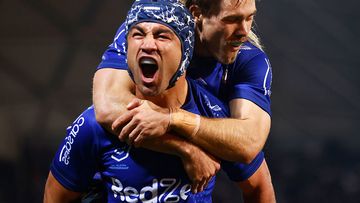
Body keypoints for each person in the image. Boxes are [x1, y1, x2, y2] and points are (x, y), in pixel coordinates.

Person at [44, 0, 274, 202]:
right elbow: (107, 107)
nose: (245, 31)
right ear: (196, 13)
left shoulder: (247, 64)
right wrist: (185, 150)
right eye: (232, 19)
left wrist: (173, 119)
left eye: (250, 18)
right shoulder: (153, 21)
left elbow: (249, 144)